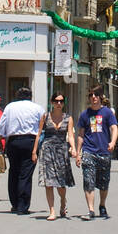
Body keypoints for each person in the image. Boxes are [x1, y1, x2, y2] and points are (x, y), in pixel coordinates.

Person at [75, 84, 118, 219]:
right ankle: (91, 210)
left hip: (104, 152)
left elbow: (114, 128)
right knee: (88, 181)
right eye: (91, 95)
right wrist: (78, 153)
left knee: (104, 183)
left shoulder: (107, 113)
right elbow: (81, 135)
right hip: (89, 151)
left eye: (95, 95)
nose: (93, 97)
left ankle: (102, 205)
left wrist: (112, 142)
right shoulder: (85, 114)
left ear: (100, 97)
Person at [0, 87, 44, 214]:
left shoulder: (10, 107)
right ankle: (23, 206)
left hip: (13, 141)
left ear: (17, 96)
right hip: (30, 141)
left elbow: (1, 126)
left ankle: (15, 204)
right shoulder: (38, 108)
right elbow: (43, 126)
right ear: (30, 96)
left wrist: (0, 143)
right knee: (26, 174)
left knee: (14, 172)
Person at [34, 92, 76, 220]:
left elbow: (70, 135)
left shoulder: (68, 118)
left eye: (61, 101)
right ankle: (52, 211)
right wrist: (34, 151)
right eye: (56, 101)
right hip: (47, 150)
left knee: (61, 184)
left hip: (62, 151)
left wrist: (73, 148)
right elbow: (38, 134)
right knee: (49, 182)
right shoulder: (45, 117)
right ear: (52, 102)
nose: (59, 104)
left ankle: (63, 201)